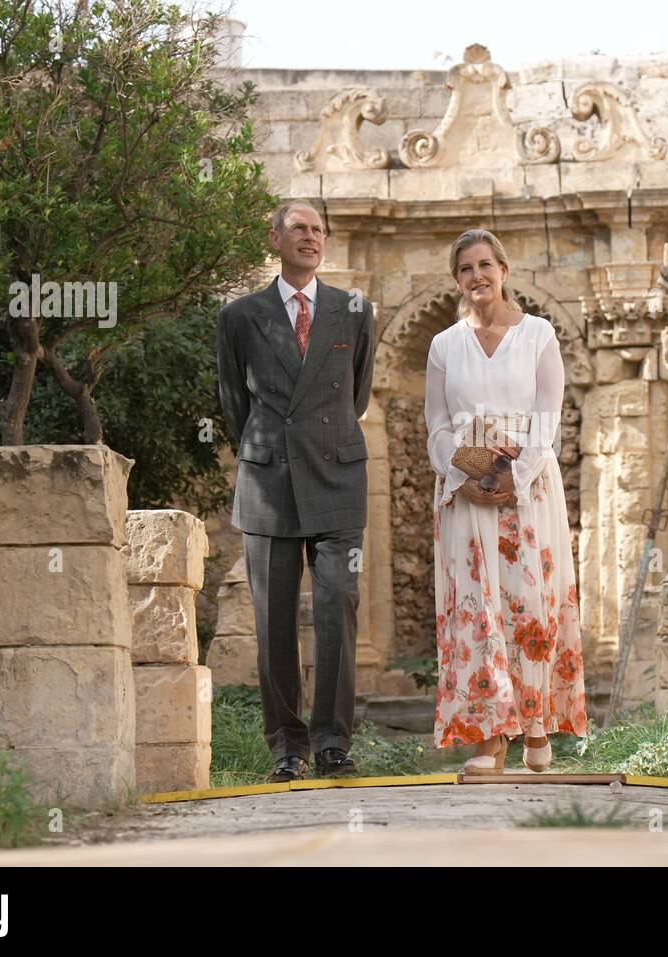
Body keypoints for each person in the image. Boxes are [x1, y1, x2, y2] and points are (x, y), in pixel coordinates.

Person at [216, 200, 377, 781]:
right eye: (299, 229)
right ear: (275, 239)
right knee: (274, 621)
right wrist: (270, 448)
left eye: (318, 230)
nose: (310, 238)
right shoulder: (239, 316)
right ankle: (288, 747)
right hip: (268, 482)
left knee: (338, 607)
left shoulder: (355, 310)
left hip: (337, 474)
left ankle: (333, 741)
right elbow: (236, 404)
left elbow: (356, 395)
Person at [423, 228, 588, 774]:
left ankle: (537, 725)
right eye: (466, 268)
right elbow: (437, 423)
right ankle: (489, 741)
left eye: (485, 265)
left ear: (504, 269)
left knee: (530, 601)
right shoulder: (444, 345)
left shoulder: (538, 334)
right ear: (457, 280)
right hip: (465, 490)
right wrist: (461, 474)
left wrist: (512, 477)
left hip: (529, 486)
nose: (477, 276)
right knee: (477, 606)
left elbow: (547, 417)